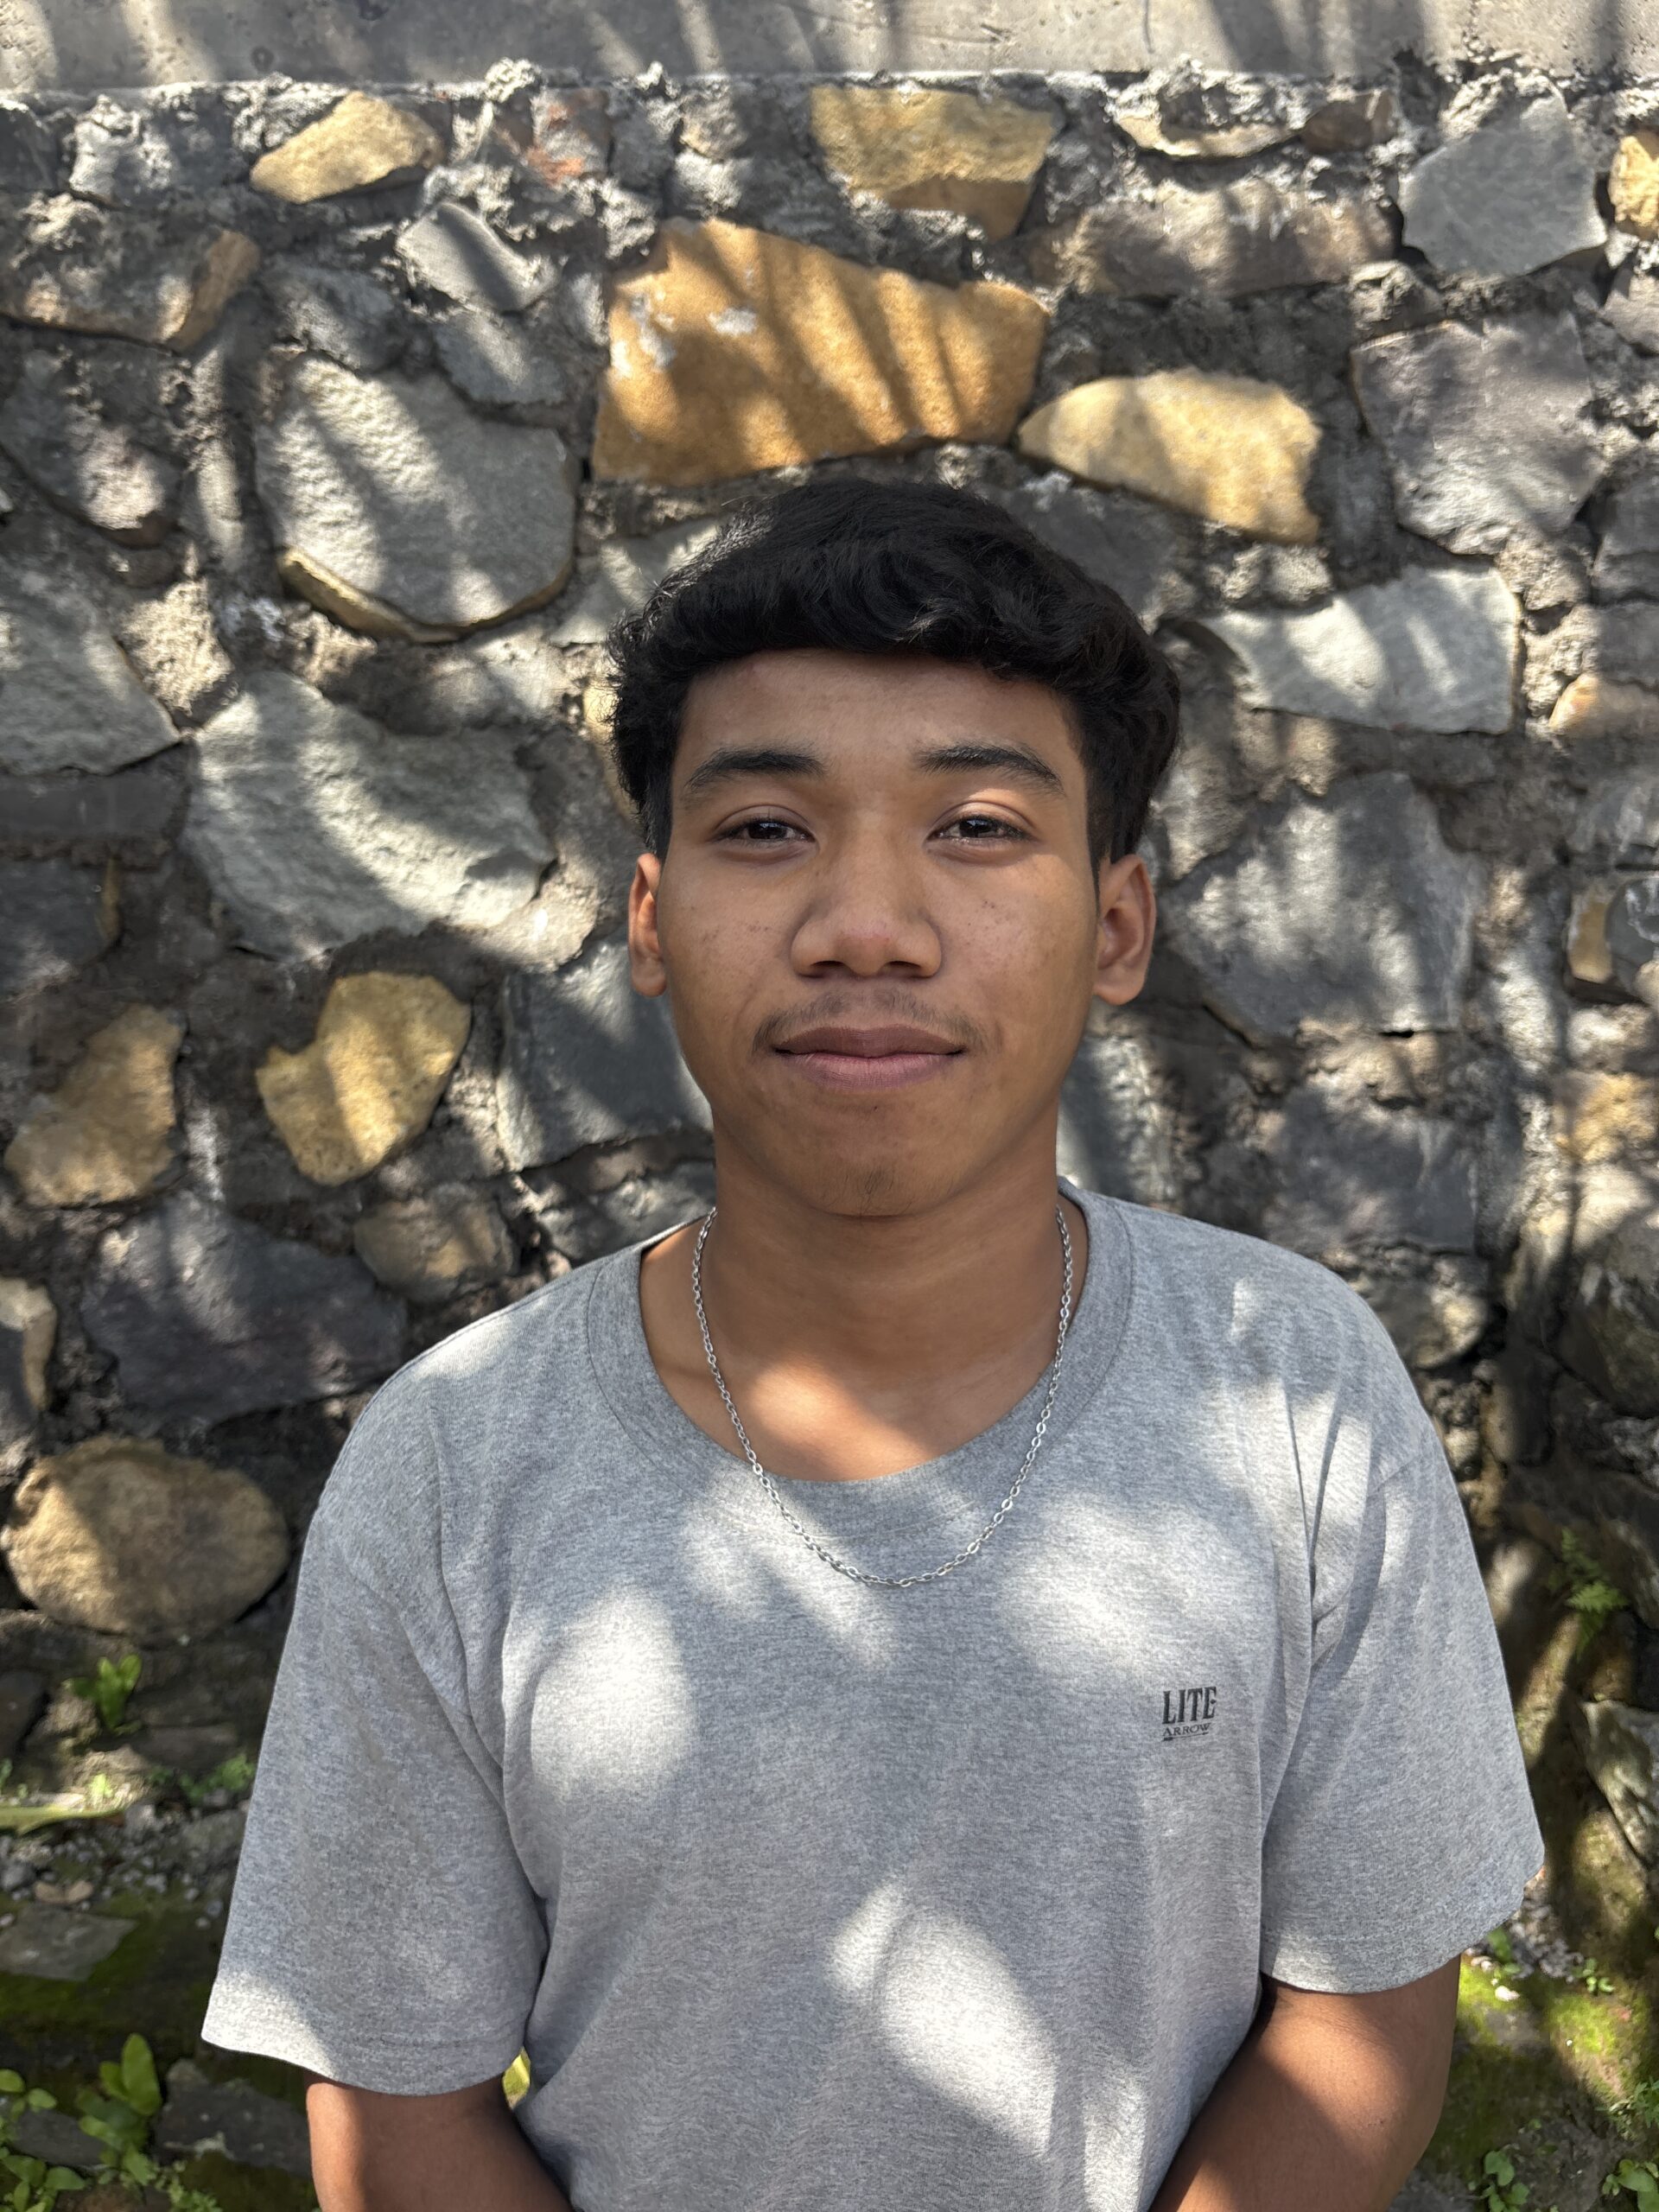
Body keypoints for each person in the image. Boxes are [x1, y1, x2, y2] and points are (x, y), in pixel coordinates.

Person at [202, 476, 1544, 2212]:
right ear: (651, 919)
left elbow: (1362, 2018)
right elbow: (398, 2116)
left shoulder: (1294, 1390)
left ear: (1116, 925)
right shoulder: (456, 1461)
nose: (866, 925)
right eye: (767, 828)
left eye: (977, 825)